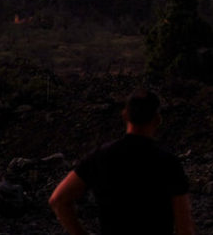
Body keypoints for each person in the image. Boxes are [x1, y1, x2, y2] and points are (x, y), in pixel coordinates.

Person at [49, 89, 196, 235]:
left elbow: (58, 199)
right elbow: (184, 228)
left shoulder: (101, 156)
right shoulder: (168, 163)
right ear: (158, 119)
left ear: (125, 115)